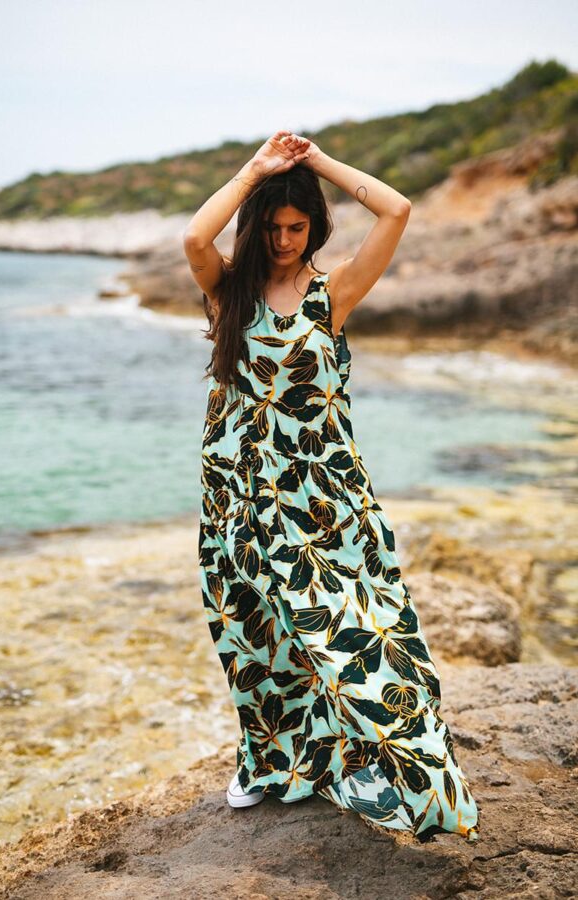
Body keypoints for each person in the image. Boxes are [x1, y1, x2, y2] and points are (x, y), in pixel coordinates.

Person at [183, 130, 480, 842]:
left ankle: (397, 768)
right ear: (257, 226)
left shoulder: (333, 292)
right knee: (255, 635)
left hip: (324, 499)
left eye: (297, 227)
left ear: (314, 226)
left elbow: (398, 209)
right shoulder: (229, 291)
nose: (285, 241)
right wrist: (256, 169)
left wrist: (314, 161)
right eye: (274, 227)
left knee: (360, 634)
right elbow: (194, 237)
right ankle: (268, 760)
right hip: (239, 493)